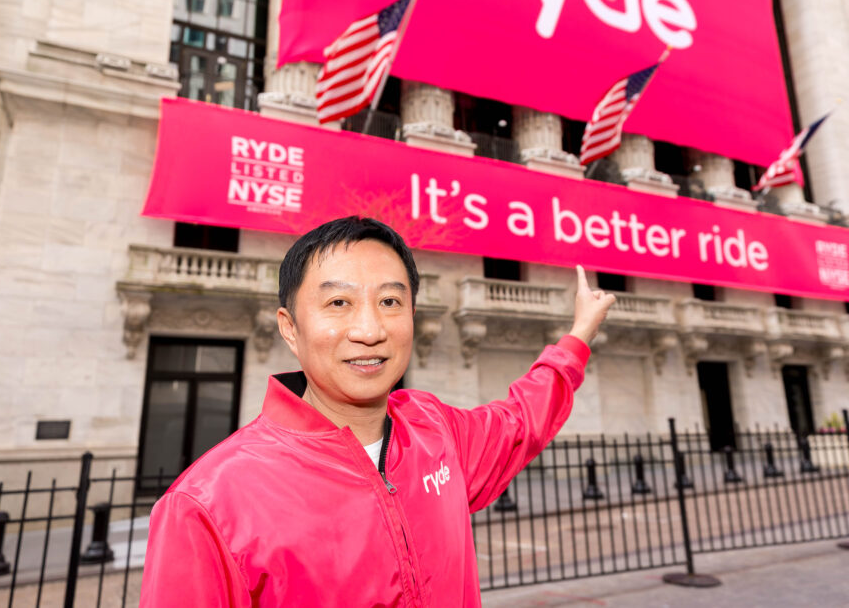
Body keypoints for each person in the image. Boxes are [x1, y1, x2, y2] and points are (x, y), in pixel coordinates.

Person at [140, 216, 615, 607]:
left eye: (390, 301)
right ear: (290, 329)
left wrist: (579, 335)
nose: (369, 329)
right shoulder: (205, 504)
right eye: (338, 303)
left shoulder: (436, 430)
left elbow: (521, 419)